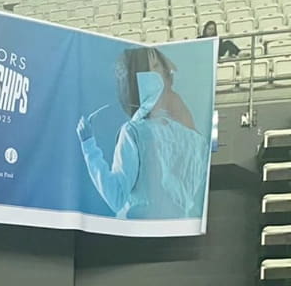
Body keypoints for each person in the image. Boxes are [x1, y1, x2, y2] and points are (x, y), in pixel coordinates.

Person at [77, 46, 208, 220]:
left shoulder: (134, 132)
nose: (165, 72)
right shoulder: (192, 140)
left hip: (137, 229)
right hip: (176, 229)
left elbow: (116, 196)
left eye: (158, 66)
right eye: (153, 67)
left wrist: (88, 146)